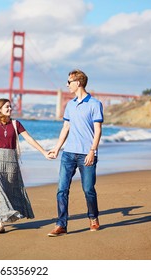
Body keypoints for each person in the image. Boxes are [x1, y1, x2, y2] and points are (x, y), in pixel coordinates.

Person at [0, 98, 51, 233]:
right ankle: (1, 222)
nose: (10, 109)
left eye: (10, 107)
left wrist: (43, 152)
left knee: (7, 190)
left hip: (11, 161)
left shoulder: (15, 124)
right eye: (7, 107)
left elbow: (29, 138)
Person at [47, 69, 103, 237]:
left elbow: (98, 130)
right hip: (68, 154)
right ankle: (61, 225)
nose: (67, 85)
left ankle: (93, 218)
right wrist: (57, 148)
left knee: (88, 189)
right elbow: (66, 127)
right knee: (61, 190)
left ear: (78, 82)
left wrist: (92, 151)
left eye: (69, 81)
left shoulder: (95, 104)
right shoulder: (70, 105)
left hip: (87, 154)